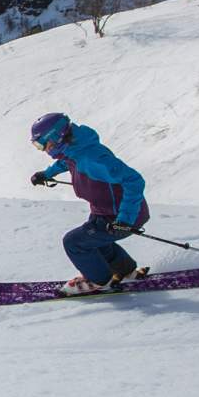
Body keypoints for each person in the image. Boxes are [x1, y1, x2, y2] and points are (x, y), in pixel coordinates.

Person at [29, 113, 149, 296]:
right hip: (106, 211)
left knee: (74, 242)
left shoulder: (93, 159)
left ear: (55, 137)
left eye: (41, 144)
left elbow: (134, 181)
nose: (42, 149)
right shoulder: (74, 149)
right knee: (94, 241)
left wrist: (125, 219)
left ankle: (99, 281)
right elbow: (67, 163)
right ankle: (126, 271)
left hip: (122, 214)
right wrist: (47, 174)